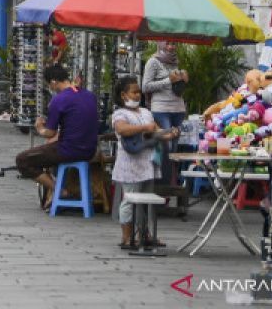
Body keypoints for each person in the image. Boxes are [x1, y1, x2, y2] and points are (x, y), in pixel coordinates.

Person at [14, 65, 100, 202]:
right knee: (49, 148)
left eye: (49, 85)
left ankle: (59, 190)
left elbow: (49, 133)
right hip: (90, 149)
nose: (50, 88)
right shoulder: (89, 95)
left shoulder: (59, 100)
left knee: (22, 160)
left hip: (69, 150)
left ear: (53, 82)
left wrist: (40, 128)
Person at [111, 76, 176, 249]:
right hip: (129, 165)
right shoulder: (120, 114)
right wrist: (143, 128)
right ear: (124, 95)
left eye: (138, 91)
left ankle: (144, 234)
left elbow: (157, 130)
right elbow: (121, 129)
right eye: (134, 92)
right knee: (129, 200)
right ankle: (126, 236)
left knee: (146, 200)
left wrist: (169, 133)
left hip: (147, 163)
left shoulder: (146, 113)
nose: (137, 95)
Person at [142, 40, 188, 185]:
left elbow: (176, 90)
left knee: (174, 150)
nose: (171, 46)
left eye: (174, 44)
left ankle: (169, 185)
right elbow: (145, 87)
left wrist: (183, 80)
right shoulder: (153, 62)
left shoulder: (175, 62)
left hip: (178, 109)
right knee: (165, 147)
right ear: (161, 44)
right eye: (167, 43)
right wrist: (169, 80)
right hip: (161, 109)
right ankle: (161, 185)